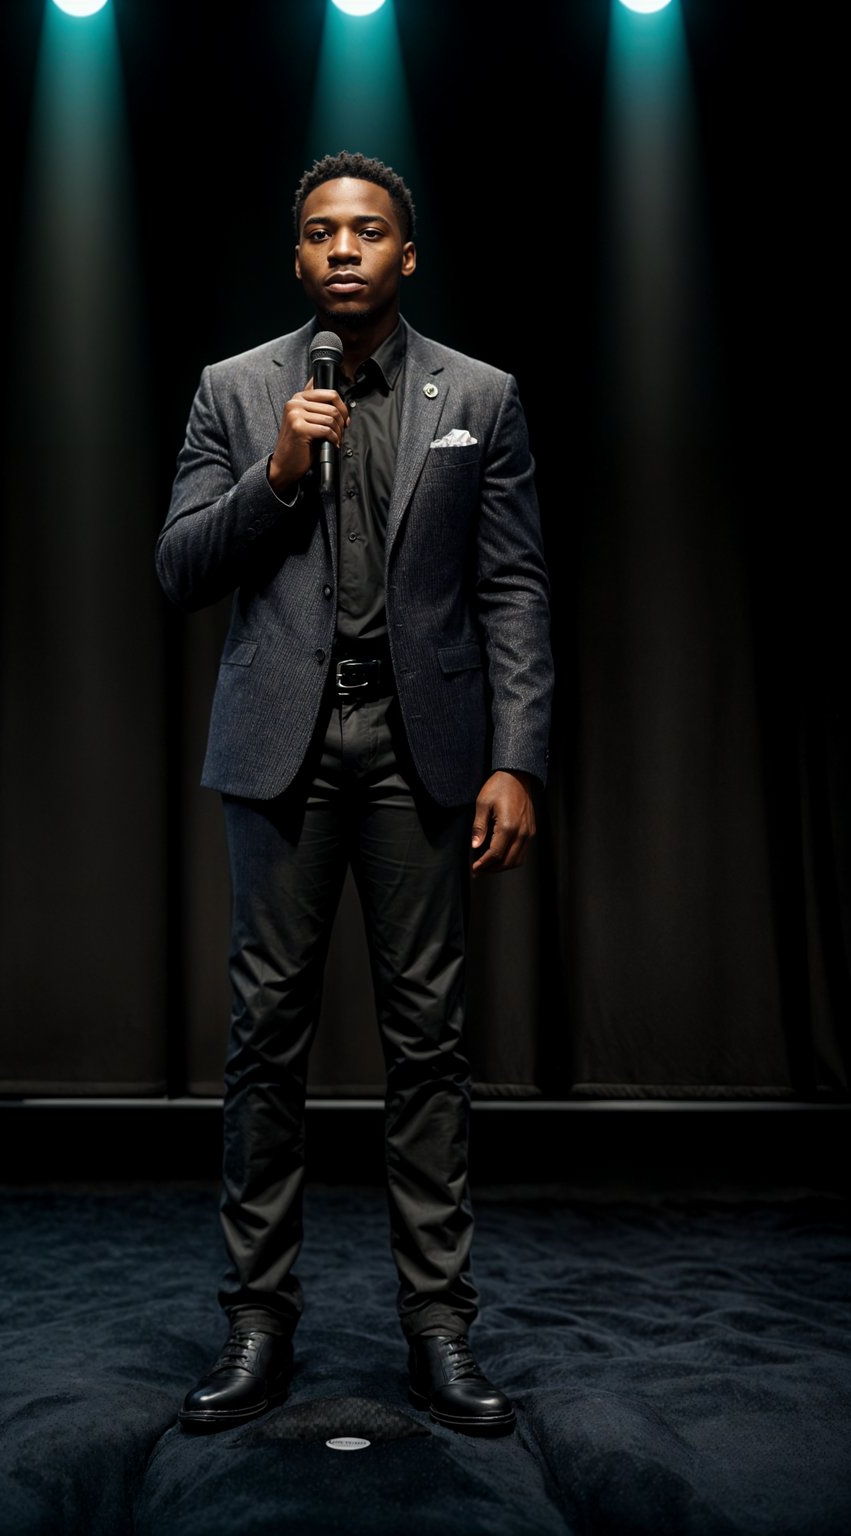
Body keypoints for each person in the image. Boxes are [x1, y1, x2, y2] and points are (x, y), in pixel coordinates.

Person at [155, 150, 553, 1438]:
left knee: (428, 1047)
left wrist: (516, 756)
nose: (343, 249)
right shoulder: (238, 390)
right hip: (281, 749)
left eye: (367, 232)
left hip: (420, 747)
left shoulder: (477, 397)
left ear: (406, 253)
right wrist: (275, 474)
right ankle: (257, 1327)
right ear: (296, 255)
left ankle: (440, 1332)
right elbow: (177, 568)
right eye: (321, 232)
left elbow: (512, 590)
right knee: (264, 1040)